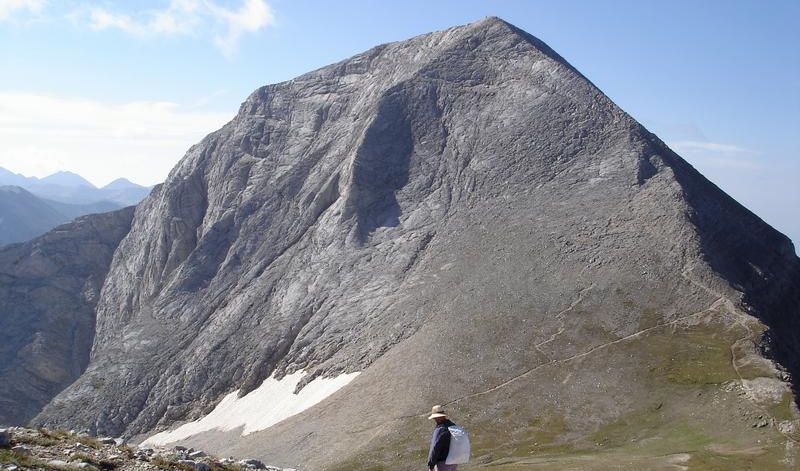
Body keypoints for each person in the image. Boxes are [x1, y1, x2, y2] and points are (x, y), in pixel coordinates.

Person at [426, 405, 457, 471]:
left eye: (435, 418)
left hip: (443, 462)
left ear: (438, 417)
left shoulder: (440, 429)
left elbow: (435, 447)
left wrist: (431, 464)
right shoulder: (452, 425)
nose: (434, 419)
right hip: (454, 461)